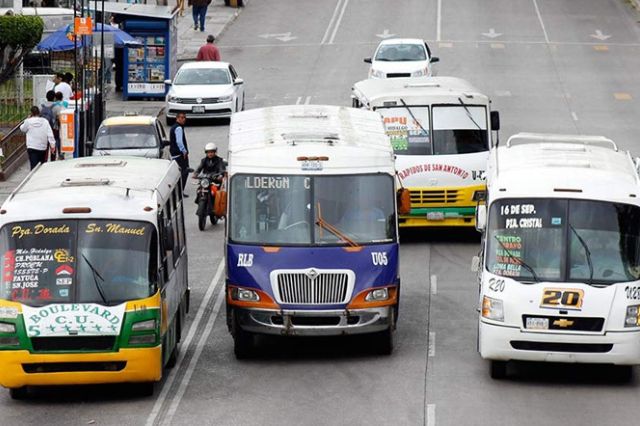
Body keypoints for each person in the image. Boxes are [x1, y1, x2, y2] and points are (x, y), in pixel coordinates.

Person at [169, 112, 190, 195]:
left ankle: (178, 191)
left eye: (184, 117)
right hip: (179, 155)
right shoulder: (178, 128)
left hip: (174, 154)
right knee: (184, 172)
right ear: (177, 118)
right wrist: (184, 151)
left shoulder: (174, 127)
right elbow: (179, 141)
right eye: (181, 117)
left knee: (178, 173)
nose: (183, 119)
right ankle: (180, 192)